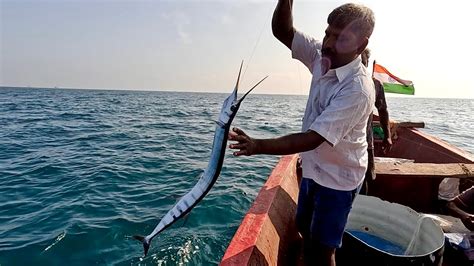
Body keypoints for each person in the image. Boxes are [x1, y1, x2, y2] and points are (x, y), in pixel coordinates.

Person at [228, 2, 375, 265]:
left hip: (338, 180)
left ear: (361, 46)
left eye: (341, 38)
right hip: (312, 168)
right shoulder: (322, 54)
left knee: (324, 248)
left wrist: (257, 145)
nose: (329, 42)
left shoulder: (358, 89)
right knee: (305, 229)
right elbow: (283, 31)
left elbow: (313, 138)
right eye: (328, 32)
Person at [360, 48, 392, 195]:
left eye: (363, 60)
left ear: (366, 63)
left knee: (366, 178)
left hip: (366, 142)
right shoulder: (338, 81)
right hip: (341, 143)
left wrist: (388, 136)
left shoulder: (375, 85)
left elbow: (383, 110)